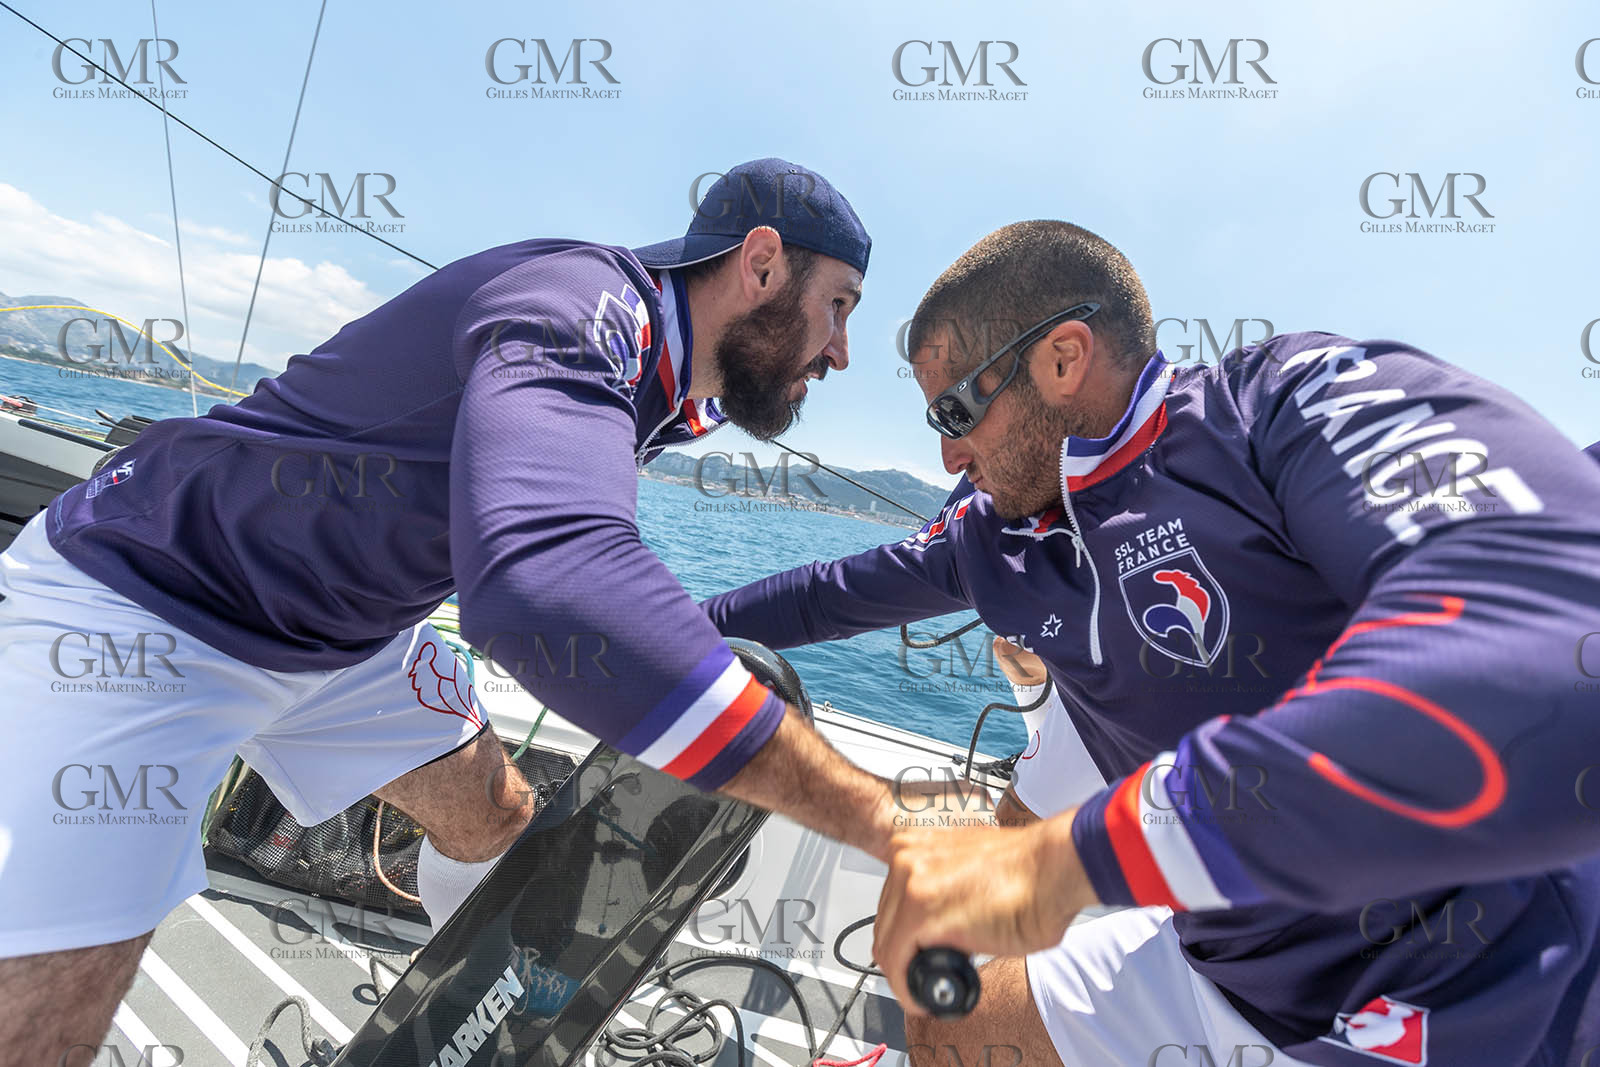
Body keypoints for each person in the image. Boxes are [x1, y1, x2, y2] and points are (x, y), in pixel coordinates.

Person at [0, 158, 902, 1066]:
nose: (841, 350)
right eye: (840, 305)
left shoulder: (665, 377)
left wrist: (677, 639)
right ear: (761, 264)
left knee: (496, 820)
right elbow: (536, 583)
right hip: (153, 600)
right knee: (58, 989)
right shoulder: (582, 307)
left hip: (346, 636)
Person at [702, 220, 1600, 1066]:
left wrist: (1065, 864)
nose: (947, 459)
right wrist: (651, 644)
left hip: (1468, 990)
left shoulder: (1274, 407)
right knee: (951, 989)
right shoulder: (987, 540)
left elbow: (1550, 640)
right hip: (1218, 954)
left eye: (955, 414)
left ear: (1062, 358)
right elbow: (821, 598)